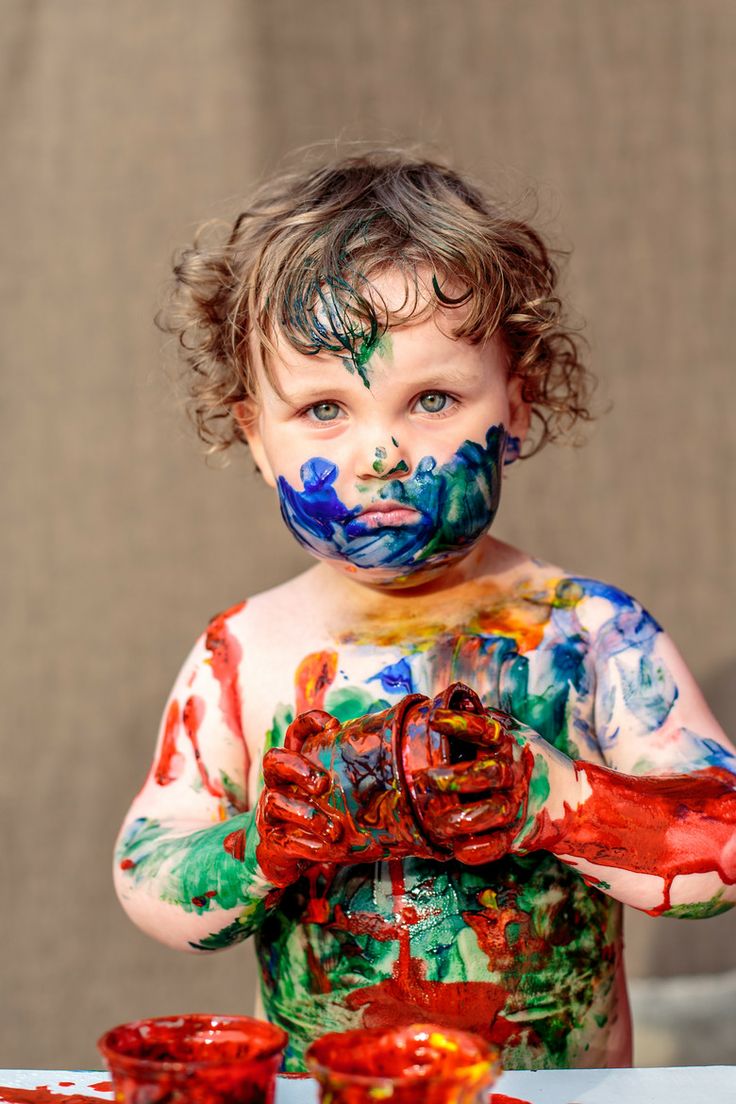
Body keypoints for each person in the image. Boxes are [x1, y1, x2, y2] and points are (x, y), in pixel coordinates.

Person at [114, 151, 736, 1072]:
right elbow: (149, 876)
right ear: (254, 434)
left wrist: (555, 802)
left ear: (517, 406)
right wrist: (263, 848)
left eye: (433, 399)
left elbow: (722, 837)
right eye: (325, 408)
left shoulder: (592, 634)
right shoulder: (244, 652)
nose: (382, 453)